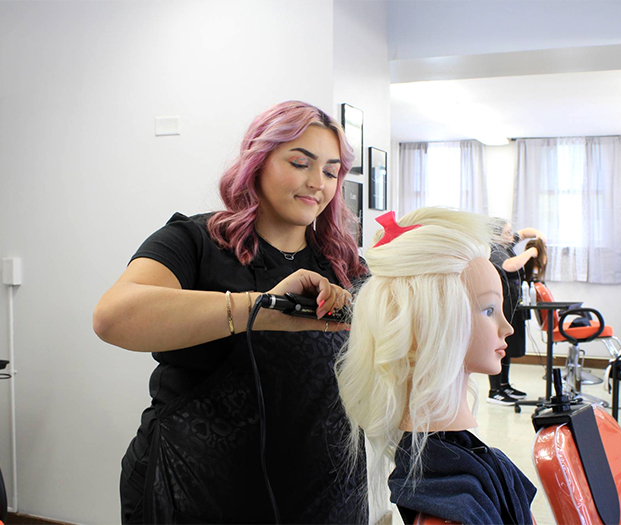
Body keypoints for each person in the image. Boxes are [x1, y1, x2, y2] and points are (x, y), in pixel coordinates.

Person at [93, 101, 368, 524]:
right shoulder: (194, 241)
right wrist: (260, 308)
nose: (318, 183)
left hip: (322, 493)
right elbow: (113, 317)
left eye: (331, 172)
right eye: (300, 163)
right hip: (191, 487)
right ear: (258, 162)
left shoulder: (344, 265)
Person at [335, 208, 537, 524]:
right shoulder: (449, 502)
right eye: (487, 311)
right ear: (432, 322)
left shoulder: (455, 471)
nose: (506, 327)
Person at [487, 220, 546, 406]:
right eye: (507, 232)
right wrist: (530, 252)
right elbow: (509, 266)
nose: (511, 235)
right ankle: (495, 391)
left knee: (508, 347)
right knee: (498, 346)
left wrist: (539, 236)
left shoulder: (506, 243)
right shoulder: (493, 249)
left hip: (512, 303)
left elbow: (526, 231)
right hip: (501, 305)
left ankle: (505, 385)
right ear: (496, 234)